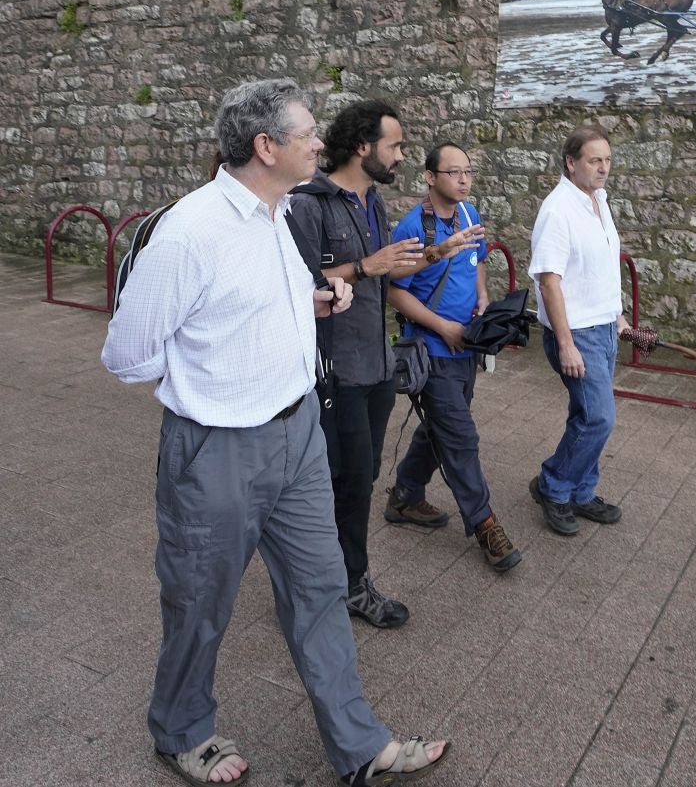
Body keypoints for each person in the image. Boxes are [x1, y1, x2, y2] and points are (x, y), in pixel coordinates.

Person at [102, 79, 448, 787]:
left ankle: (360, 746)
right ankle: (180, 731)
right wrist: (213, 365)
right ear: (266, 146)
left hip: (298, 438)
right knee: (200, 601)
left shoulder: (279, 210)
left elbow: (257, 300)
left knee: (321, 590)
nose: (319, 143)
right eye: (307, 133)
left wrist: (315, 298)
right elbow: (128, 354)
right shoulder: (190, 231)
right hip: (218, 448)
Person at [289, 100, 427, 630]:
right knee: (339, 482)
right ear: (364, 147)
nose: (400, 156)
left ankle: (334, 580)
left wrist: (429, 258)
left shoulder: (374, 204)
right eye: (394, 145)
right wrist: (368, 265)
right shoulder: (310, 204)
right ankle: (341, 586)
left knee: (363, 476)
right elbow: (297, 283)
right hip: (336, 370)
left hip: (375, 364)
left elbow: (375, 279)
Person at [385, 142, 522, 573]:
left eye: (468, 172)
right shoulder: (413, 228)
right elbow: (392, 290)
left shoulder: (468, 214)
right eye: (453, 172)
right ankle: (484, 523)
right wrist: (443, 326)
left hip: (467, 346)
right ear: (430, 177)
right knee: (461, 438)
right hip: (432, 351)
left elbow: (479, 258)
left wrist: (482, 295)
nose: (463, 180)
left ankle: (406, 494)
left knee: (441, 426)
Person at [528, 125, 626, 537]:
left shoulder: (598, 200)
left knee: (586, 415)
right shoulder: (558, 210)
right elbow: (549, 280)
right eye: (594, 160)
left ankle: (582, 492)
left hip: (603, 327)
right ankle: (553, 486)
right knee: (599, 418)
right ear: (571, 163)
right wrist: (565, 344)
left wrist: (617, 316)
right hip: (578, 334)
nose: (603, 168)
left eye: (607, 160)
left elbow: (601, 267)